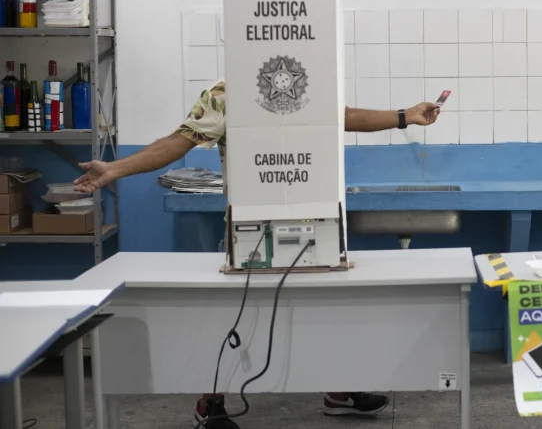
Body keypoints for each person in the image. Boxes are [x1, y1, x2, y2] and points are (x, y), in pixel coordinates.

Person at [73, 80, 441, 429]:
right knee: (232, 314)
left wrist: (404, 115)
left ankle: (340, 390)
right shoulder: (225, 93)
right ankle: (211, 404)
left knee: (329, 305)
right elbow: (177, 142)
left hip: (312, 219)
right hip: (248, 226)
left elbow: (343, 116)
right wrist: (114, 169)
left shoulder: (307, 84)